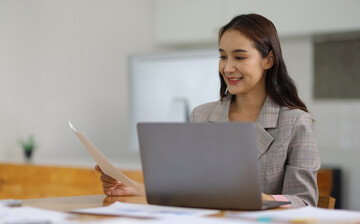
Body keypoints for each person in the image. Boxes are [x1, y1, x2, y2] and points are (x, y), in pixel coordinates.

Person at [96, 13, 320, 208]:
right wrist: (132, 187)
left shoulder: (295, 122)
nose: (227, 67)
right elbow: (189, 188)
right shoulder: (202, 116)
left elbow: (305, 201)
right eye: (223, 56)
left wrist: (263, 199)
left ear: (268, 60)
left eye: (239, 57)